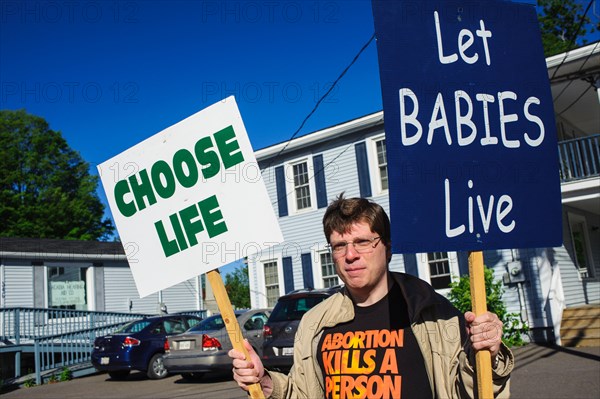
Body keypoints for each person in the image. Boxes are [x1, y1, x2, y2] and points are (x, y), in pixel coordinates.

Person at [229, 194, 514, 398]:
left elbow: (470, 392)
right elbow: (302, 393)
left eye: (362, 242)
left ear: (387, 248)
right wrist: (264, 382)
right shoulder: (315, 324)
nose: (350, 255)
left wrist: (488, 355)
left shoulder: (434, 313)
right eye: (339, 246)